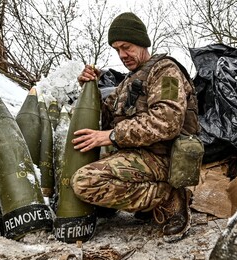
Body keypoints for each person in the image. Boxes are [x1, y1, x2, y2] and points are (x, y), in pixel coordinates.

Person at [72, 12, 199, 242]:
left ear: (142, 42)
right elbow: (104, 117)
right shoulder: (127, 83)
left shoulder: (165, 71)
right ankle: (147, 203)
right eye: (117, 49)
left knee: (85, 182)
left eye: (126, 46)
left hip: (164, 157)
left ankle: (168, 196)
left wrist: (111, 136)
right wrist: (89, 88)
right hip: (139, 157)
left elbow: (168, 121)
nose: (122, 55)